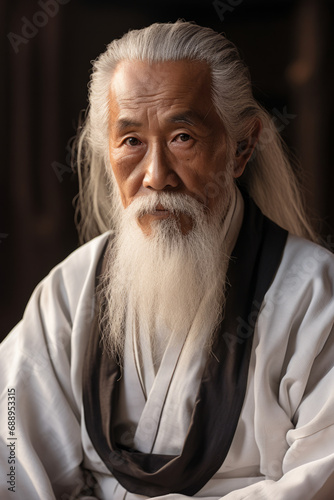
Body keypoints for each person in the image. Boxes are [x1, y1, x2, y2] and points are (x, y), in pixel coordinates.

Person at [1, 20, 334, 500]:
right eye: (132, 141)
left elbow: (319, 480)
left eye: (182, 137)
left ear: (241, 147)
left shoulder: (313, 295)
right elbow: (9, 445)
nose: (156, 176)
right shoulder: (71, 291)